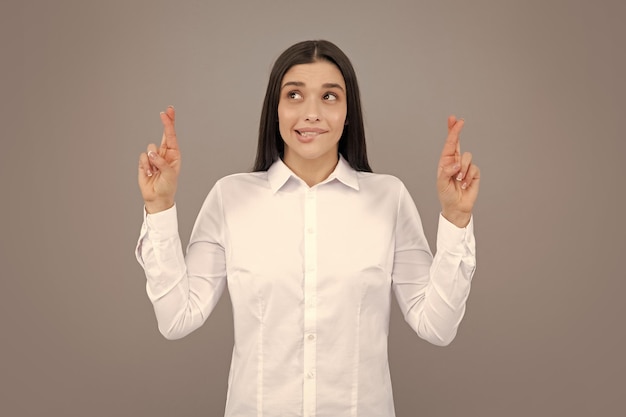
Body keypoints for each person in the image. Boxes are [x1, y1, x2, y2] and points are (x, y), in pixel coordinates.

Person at [136, 40, 480, 417]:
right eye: (295, 95)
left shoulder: (389, 198)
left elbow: (437, 326)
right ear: (276, 109)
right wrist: (159, 206)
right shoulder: (230, 198)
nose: (312, 113)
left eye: (330, 96)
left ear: (349, 113)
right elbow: (176, 318)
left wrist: (455, 217)